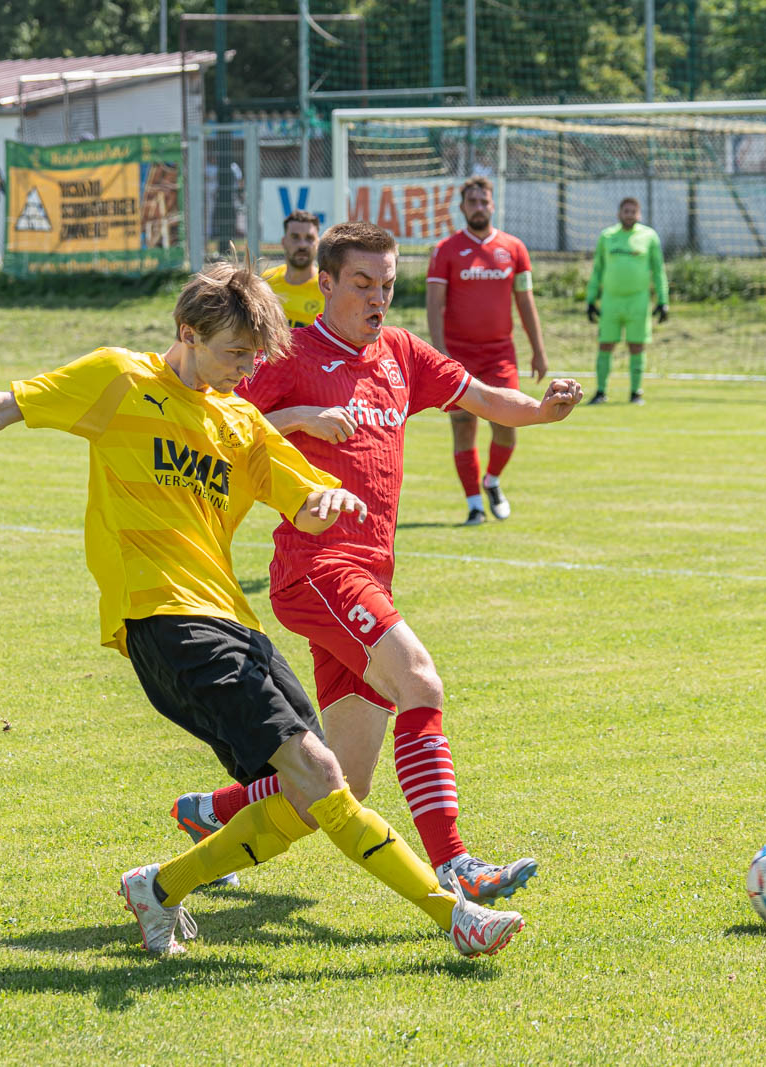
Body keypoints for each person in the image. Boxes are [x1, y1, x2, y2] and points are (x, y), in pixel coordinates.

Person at [0, 264, 526, 959]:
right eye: (236, 353)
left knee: (308, 793)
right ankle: (453, 917)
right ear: (189, 333)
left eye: (254, 355)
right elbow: (8, 403)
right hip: (163, 620)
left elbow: (305, 490)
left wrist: (325, 500)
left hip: (236, 623)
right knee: (324, 779)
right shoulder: (120, 379)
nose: (247, 369)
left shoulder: (238, 421)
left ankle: (160, 885)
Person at [171, 222, 582, 913]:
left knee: (344, 782)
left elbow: (480, 396)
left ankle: (211, 810)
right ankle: (456, 867)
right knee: (420, 678)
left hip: (368, 573)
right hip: (316, 566)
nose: (377, 298)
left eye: (388, 285)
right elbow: (217, 423)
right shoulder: (290, 352)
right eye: (362, 283)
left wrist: (540, 412)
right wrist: (300, 413)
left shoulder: (399, 352)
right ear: (325, 284)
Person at [425, 177, 549, 525]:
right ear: (462, 208)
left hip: (500, 355)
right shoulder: (445, 250)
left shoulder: (513, 248)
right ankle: (474, 505)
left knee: (508, 424)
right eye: (472, 202)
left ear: (492, 205)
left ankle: (492, 480)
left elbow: (525, 302)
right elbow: (434, 305)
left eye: (484, 201)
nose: (479, 207)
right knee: (463, 426)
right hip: (459, 356)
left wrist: (538, 350)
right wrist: (440, 353)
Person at [585, 197, 669, 405]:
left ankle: (635, 393)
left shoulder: (649, 237)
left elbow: (658, 270)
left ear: (639, 214)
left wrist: (663, 300)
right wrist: (590, 299)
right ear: (619, 213)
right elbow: (597, 270)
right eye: (626, 211)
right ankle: (601, 391)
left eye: (633, 211)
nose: (629, 214)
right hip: (611, 301)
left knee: (637, 346)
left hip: (638, 301)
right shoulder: (607, 237)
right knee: (605, 345)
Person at [260, 210, 323, 327]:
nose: (302, 245)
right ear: (283, 242)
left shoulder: (327, 288)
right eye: (295, 237)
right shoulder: (266, 283)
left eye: (309, 238)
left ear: (318, 243)